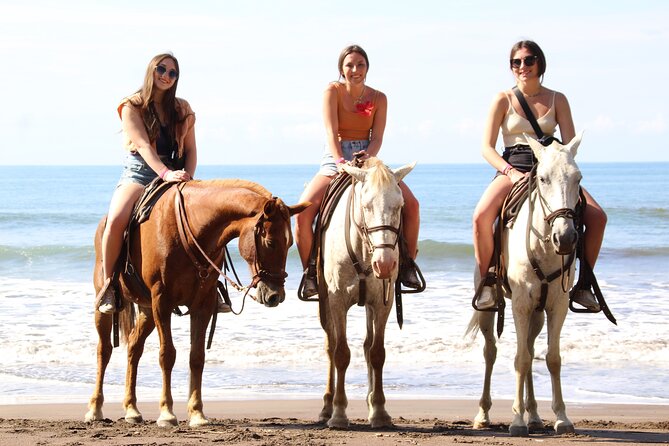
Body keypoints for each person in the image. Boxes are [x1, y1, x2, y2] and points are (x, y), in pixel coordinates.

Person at [472, 40, 607, 311]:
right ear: (511, 67)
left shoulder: (558, 99)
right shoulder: (503, 99)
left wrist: (557, 164)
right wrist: (509, 173)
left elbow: (569, 145)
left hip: (552, 169)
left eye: (529, 60)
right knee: (481, 216)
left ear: (540, 63)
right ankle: (487, 281)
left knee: (597, 217)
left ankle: (583, 284)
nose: (523, 67)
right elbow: (486, 148)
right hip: (515, 168)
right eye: (516, 62)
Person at [96, 53, 228, 314]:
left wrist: (187, 178)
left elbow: (191, 150)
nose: (166, 76)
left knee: (212, 221)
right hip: (141, 173)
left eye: (172, 73)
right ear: (151, 70)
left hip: (177, 175)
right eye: (162, 69)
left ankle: (214, 288)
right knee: (116, 220)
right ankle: (109, 284)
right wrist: (165, 174)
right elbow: (144, 146)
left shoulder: (182, 109)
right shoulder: (132, 106)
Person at [294, 44, 421, 297]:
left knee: (413, 205)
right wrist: (341, 162)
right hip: (336, 156)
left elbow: (377, 137)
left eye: (360, 65)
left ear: (367, 68)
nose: (355, 70)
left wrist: (368, 156)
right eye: (349, 65)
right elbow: (331, 133)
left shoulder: (379, 98)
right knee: (302, 215)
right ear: (341, 69)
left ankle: (407, 265)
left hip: (368, 156)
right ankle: (311, 273)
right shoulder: (332, 91)